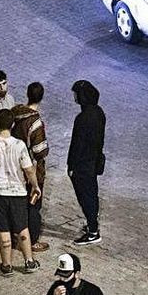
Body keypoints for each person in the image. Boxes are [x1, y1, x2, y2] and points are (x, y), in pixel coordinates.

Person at [0, 108, 42, 276]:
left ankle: (6, 266)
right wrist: (35, 186)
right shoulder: (19, 145)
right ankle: (29, 262)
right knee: (22, 228)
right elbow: (29, 170)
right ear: (12, 124)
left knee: (3, 229)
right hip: (17, 192)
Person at [11, 82, 51, 254]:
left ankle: (15, 234)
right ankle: (32, 240)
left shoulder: (15, 114)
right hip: (31, 171)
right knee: (33, 206)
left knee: (18, 205)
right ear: (41, 97)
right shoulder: (35, 122)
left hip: (14, 167)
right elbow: (40, 151)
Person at [68, 80, 106, 246]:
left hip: (82, 165)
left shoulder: (82, 118)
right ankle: (93, 223)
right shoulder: (99, 113)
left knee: (85, 197)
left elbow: (76, 144)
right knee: (92, 193)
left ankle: (93, 231)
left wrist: (71, 166)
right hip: (93, 162)